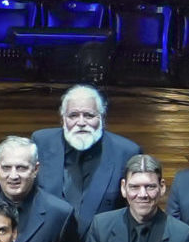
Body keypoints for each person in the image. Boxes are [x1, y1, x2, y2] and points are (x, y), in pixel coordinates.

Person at [30, 84, 143, 218]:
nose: (81, 122)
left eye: (89, 115)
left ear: (102, 117)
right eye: (73, 115)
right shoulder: (42, 142)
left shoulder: (126, 152)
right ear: (63, 119)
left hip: (102, 238)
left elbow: (135, 211)